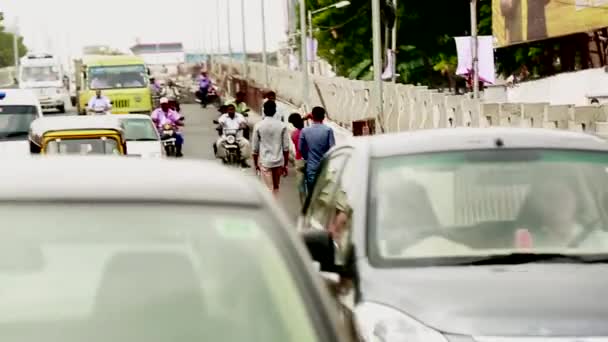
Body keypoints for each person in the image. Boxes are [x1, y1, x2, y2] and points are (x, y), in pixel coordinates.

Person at [252, 101, 290, 197]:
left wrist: (256, 164)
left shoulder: (259, 125)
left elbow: (255, 149)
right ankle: (276, 204)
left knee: (268, 189)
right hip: (278, 161)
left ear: (264, 111)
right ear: (275, 111)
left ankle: (271, 208)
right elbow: (286, 148)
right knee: (276, 187)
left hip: (265, 162)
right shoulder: (282, 125)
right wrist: (285, 165)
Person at [299, 106, 336, 192]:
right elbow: (332, 149)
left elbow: (301, 148)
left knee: (311, 193)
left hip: (311, 166)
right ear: (323, 117)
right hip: (324, 168)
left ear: (312, 116)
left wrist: (307, 157)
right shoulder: (328, 130)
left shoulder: (305, 131)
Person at [288, 113, 306, 203]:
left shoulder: (294, 134)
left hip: (299, 160)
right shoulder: (308, 132)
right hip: (310, 159)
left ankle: (303, 204)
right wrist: (306, 117)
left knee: (300, 184)